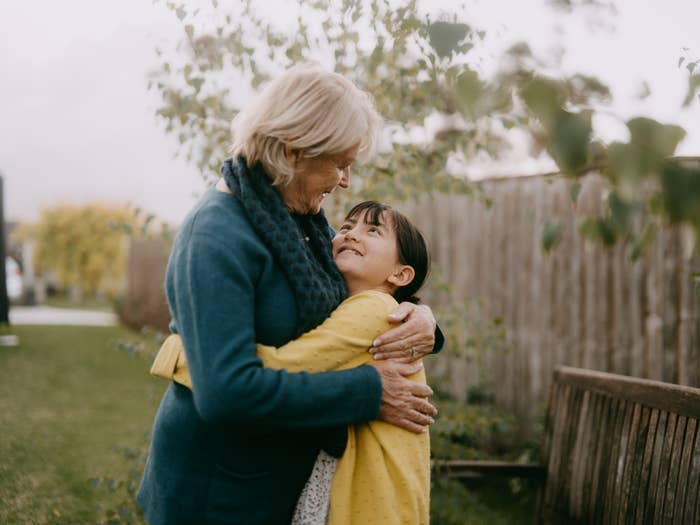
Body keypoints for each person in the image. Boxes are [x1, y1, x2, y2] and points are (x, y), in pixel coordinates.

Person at [136, 64, 442, 525]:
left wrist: (423, 321)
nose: (345, 181)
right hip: (217, 495)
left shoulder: (298, 220)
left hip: (272, 485)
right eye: (340, 163)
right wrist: (368, 391)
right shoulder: (216, 237)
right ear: (296, 150)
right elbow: (227, 395)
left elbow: (361, 297)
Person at [152, 200, 432, 524]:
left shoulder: (371, 310)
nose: (352, 234)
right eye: (347, 227)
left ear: (401, 273)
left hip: (376, 493)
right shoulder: (361, 303)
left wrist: (183, 353)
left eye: (373, 230)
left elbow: (286, 366)